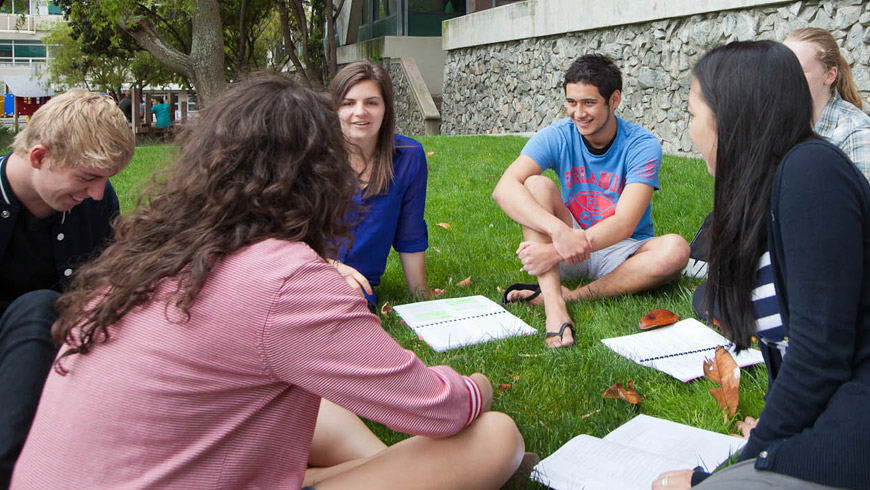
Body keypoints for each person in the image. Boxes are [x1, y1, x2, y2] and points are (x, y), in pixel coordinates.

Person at [10, 74, 525, 489]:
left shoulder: (150, 254)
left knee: (312, 400)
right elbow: (440, 408)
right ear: (320, 174)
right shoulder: (286, 279)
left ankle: (355, 469)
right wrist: (472, 387)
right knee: (495, 437)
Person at [653, 40, 870, 490]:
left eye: (693, 115)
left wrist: (737, 465)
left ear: (730, 115)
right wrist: (775, 429)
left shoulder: (811, 173)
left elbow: (818, 356)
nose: (690, 131)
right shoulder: (762, 191)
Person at [492, 54, 689, 348]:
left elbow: (624, 223)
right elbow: (503, 188)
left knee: (676, 249)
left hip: (620, 252)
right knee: (534, 184)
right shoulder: (558, 135)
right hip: (568, 239)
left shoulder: (642, 145)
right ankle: (555, 309)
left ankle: (571, 296)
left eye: (588, 103)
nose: (578, 113)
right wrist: (559, 234)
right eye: (572, 102)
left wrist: (554, 254)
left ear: (614, 99)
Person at [0, 89, 134, 489]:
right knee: (40, 309)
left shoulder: (96, 202)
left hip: (75, 357)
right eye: (87, 177)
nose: (96, 193)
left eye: (105, 181)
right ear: (39, 157)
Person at [327, 61, 429, 306]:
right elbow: (286, 237)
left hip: (359, 289)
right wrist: (333, 269)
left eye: (371, 102)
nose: (360, 112)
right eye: (348, 103)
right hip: (305, 275)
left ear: (386, 109)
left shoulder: (408, 157)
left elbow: (410, 234)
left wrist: (421, 298)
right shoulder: (312, 156)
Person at [784, 27, 870, 181]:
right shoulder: (777, 122)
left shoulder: (856, 132)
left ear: (830, 75)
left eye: (798, 69)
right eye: (782, 68)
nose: (785, 76)